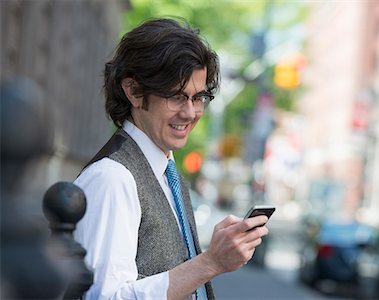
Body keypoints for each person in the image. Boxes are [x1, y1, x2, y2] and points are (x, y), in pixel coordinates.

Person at [73, 18, 269, 300]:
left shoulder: (167, 172)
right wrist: (210, 262)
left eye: (198, 98)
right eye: (176, 96)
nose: (190, 113)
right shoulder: (112, 178)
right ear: (134, 91)